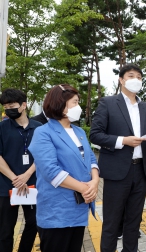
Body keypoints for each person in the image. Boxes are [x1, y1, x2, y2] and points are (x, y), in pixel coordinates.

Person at [90, 64, 146, 252]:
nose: (136, 79)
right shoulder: (108, 103)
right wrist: (123, 140)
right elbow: (95, 134)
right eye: (131, 75)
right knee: (112, 222)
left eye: (140, 77)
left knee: (134, 223)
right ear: (121, 80)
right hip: (117, 173)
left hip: (140, 172)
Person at [28, 84, 99, 252]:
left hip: (79, 207)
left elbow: (91, 159)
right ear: (60, 103)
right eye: (75, 102)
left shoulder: (79, 131)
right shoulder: (43, 132)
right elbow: (50, 171)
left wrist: (95, 182)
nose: (78, 107)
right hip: (57, 211)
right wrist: (85, 188)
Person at [0, 89, 41, 252]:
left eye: (12, 105)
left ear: (23, 105)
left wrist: (27, 174)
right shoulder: (2, 128)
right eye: (5, 106)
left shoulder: (39, 128)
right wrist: (15, 178)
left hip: (32, 184)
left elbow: (43, 155)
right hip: (6, 186)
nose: (8, 108)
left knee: (34, 223)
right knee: (5, 229)